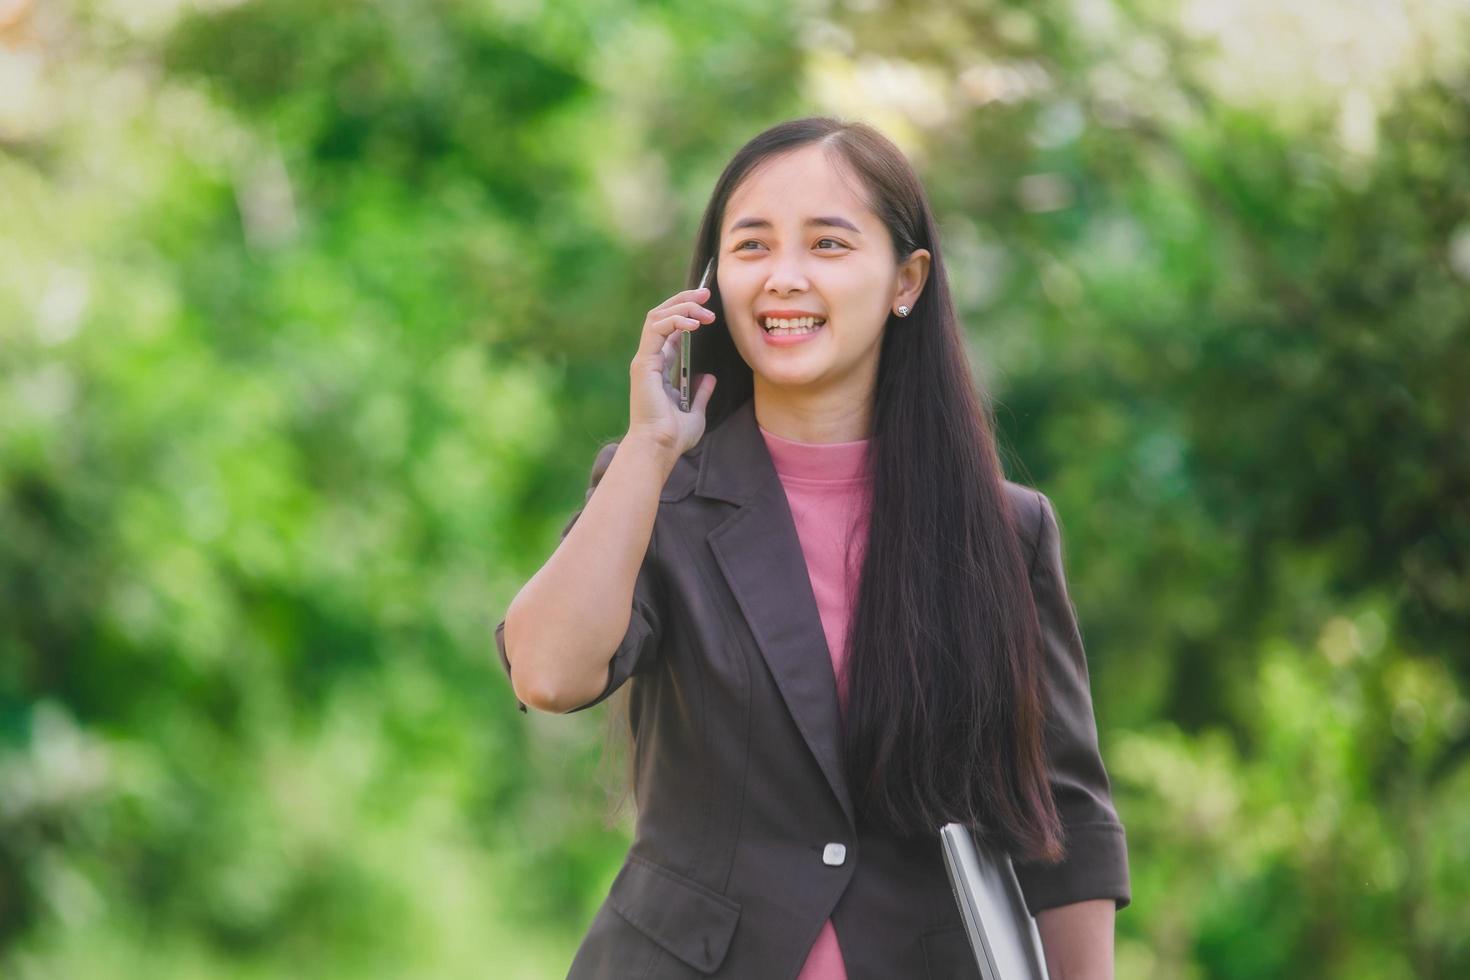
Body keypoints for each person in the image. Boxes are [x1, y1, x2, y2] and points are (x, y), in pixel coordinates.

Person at [495, 116, 1130, 979]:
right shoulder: (653, 495)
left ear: (906, 281)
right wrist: (648, 447)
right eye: (752, 247)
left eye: (828, 244)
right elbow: (547, 673)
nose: (784, 278)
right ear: (716, 280)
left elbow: (1067, 817)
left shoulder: (1005, 532)